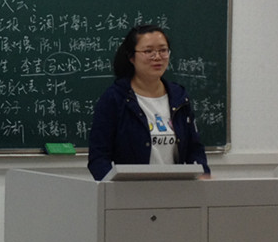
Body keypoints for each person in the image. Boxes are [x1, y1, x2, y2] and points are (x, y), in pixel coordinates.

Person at [87, 24, 210, 181]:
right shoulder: (115, 98)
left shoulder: (179, 96)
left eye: (163, 50)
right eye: (148, 51)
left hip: (177, 189)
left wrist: (203, 177)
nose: (157, 57)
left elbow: (195, 148)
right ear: (131, 57)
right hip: (130, 190)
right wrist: (113, 187)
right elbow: (99, 157)